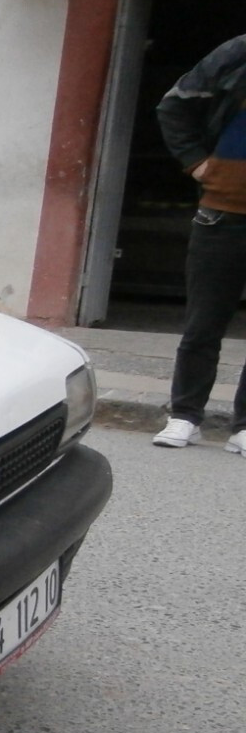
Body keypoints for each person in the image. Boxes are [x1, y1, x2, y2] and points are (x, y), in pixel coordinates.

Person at [151, 34, 246, 454]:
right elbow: (173, 104)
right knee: (203, 324)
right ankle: (185, 416)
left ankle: (243, 427)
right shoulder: (238, 52)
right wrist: (194, 159)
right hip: (222, 212)